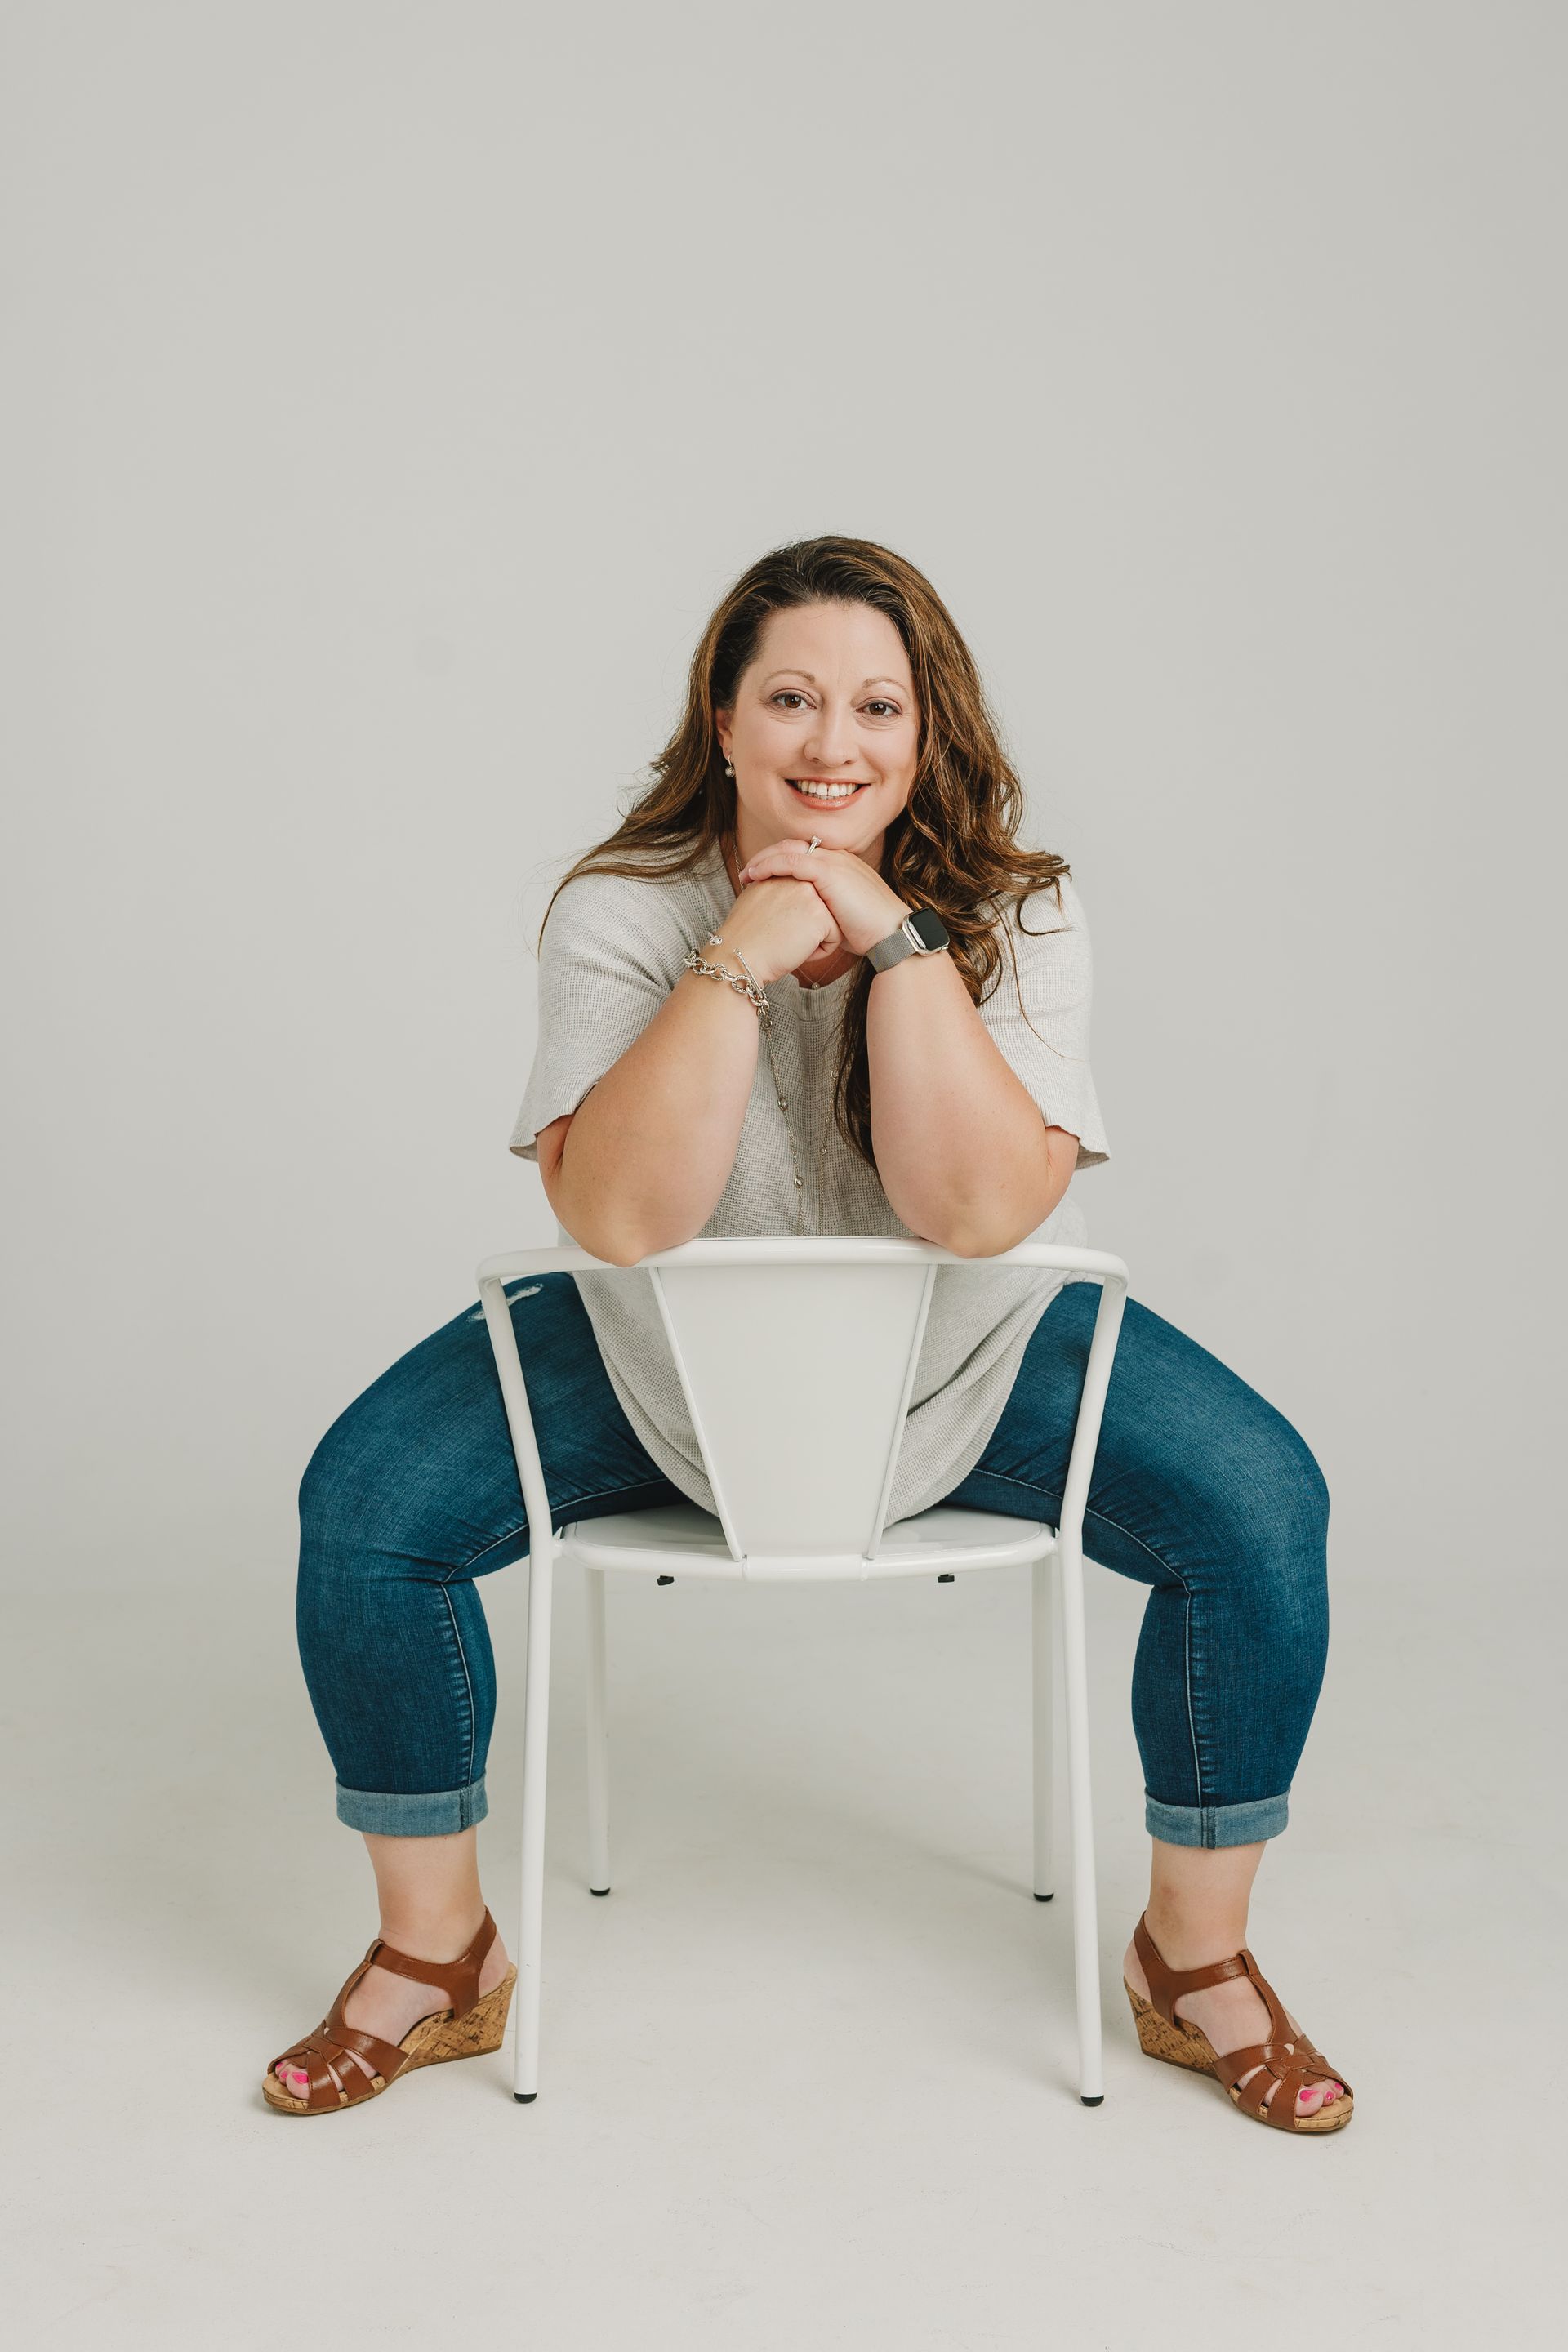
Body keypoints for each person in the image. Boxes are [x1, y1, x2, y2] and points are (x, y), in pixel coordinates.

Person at [265, 535, 1351, 2133]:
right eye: (789, 698)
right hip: (660, 1370)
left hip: (973, 1365)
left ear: (926, 735)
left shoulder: (1021, 914)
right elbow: (621, 1223)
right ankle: (437, 1957)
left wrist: (896, 942)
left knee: (1263, 1508)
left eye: (875, 707)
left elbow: (979, 1214)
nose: (832, 745)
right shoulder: (624, 913)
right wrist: (740, 958)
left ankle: (1194, 1965)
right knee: (364, 1511)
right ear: (722, 716)